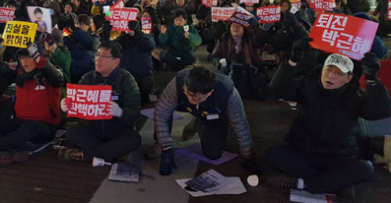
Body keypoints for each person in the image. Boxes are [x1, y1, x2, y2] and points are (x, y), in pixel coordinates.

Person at [266, 39, 391, 198]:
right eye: (328, 70)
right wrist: (292, 61)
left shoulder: (355, 96)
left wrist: (373, 80)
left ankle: (303, 183)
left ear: (348, 78)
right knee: (274, 155)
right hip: (304, 152)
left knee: (366, 169)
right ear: (322, 70)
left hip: (338, 158)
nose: (331, 76)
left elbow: (381, 112)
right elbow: (276, 90)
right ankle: (334, 183)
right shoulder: (307, 86)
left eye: (338, 73)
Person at [0, 43, 63, 166]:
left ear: (38, 58)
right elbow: (0, 70)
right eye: (22, 57)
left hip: (44, 126)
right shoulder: (21, 74)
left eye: (29, 57)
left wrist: (38, 56)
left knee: (24, 132)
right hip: (21, 120)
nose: (24, 61)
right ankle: (7, 150)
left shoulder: (50, 76)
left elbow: (54, 76)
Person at [154, 66, 257, 176]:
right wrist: (166, 148)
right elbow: (161, 115)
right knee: (164, 105)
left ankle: (197, 123)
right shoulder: (178, 83)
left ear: (210, 92)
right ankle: (158, 142)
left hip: (213, 115)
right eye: (188, 93)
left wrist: (248, 156)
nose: (191, 99)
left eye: (197, 98)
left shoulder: (228, 93)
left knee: (213, 153)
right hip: (184, 105)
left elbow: (240, 125)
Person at [58, 41, 142, 163]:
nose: (98, 59)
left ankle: (85, 155)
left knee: (134, 139)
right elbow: (76, 105)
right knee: (71, 133)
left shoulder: (126, 79)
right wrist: (66, 105)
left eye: (104, 56)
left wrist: (119, 112)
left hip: (119, 131)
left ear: (116, 61)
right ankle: (113, 154)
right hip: (94, 130)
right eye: (97, 55)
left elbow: (134, 113)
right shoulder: (87, 78)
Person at [103, 20, 156, 104]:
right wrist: (106, 33)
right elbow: (107, 48)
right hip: (126, 77)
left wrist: (138, 33)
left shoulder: (145, 37)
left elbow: (151, 45)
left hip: (143, 77)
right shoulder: (121, 40)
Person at [65, 14, 97, 83]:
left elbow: (89, 43)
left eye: (82, 23)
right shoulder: (70, 38)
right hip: (73, 72)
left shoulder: (93, 37)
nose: (78, 25)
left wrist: (76, 30)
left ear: (88, 26)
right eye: (77, 23)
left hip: (87, 72)